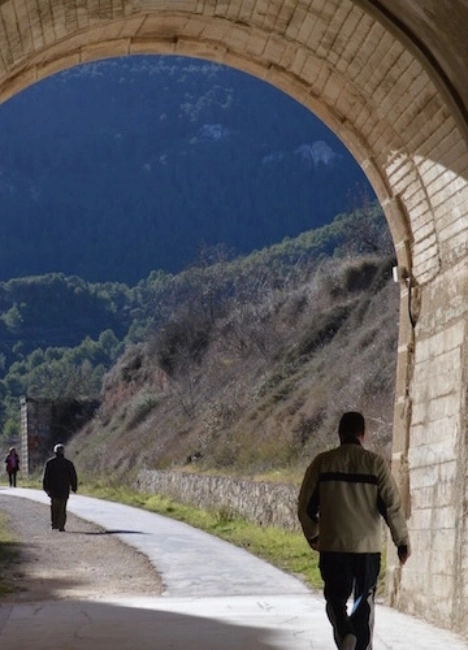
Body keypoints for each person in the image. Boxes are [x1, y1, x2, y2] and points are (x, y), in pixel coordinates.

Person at [298, 411, 410, 650]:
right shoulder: (376, 464)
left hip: (333, 547)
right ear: (363, 435)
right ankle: (356, 640)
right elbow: (392, 506)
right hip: (367, 550)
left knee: (336, 601)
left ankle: (343, 628)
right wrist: (402, 542)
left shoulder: (322, 463)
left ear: (339, 434)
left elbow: (305, 507)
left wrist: (314, 535)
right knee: (363, 604)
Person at [42, 443, 78, 532]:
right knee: (62, 508)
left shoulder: (50, 463)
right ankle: (61, 525)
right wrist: (74, 487)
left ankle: (54, 524)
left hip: (53, 490)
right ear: (63, 452)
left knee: (54, 507)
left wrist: (45, 488)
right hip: (64, 490)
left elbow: (46, 477)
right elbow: (73, 476)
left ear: (55, 452)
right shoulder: (68, 463)